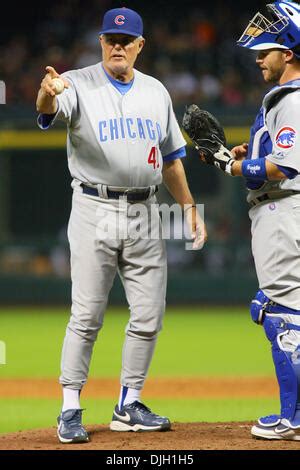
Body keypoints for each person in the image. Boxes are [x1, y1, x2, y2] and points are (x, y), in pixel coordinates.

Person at [36, 7, 206, 443]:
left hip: (147, 212)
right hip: (94, 207)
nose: (117, 45)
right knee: (87, 315)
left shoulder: (155, 92)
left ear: (139, 45)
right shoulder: (75, 81)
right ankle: (70, 409)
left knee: (149, 315)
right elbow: (49, 108)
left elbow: (171, 160)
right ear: (100, 42)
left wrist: (187, 207)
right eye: (111, 38)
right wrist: (48, 94)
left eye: (126, 40)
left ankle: (128, 404)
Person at [194, 1, 300, 440]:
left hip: (284, 208)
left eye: (268, 49)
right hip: (283, 209)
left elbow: (285, 167)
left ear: (290, 53)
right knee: (279, 307)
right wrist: (249, 152)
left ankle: (292, 419)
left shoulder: (292, 100)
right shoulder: (286, 99)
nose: (259, 57)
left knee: (281, 313)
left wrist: (229, 166)